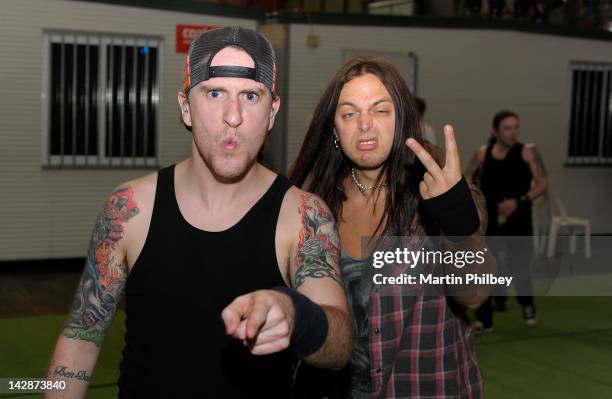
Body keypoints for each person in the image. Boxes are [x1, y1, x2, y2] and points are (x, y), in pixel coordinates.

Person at [45, 26, 353, 398]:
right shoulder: (129, 210)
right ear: (186, 108)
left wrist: (297, 315)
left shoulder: (303, 215)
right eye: (215, 92)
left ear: (272, 112)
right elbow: (81, 339)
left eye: (251, 96)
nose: (233, 117)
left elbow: (339, 347)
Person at [290, 57, 496, 398]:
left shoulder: (439, 190)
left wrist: (456, 220)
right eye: (350, 113)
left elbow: (474, 293)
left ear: (402, 118)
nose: (365, 125)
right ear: (335, 130)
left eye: (380, 110)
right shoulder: (315, 207)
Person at [465, 110, 548, 331]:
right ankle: (485, 319)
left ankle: (527, 303)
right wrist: (476, 200)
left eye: (516, 127)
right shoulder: (483, 154)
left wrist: (518, 201)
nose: (513, 133)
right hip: (490, 219)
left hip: (518, 218)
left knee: (519, 266)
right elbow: (468, 177)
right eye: (507, 128)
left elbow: (542, 184)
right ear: (496, 131)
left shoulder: (528, 152)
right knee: (486, 267)